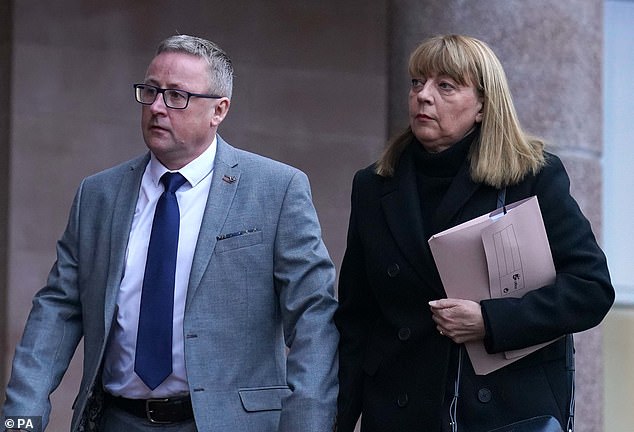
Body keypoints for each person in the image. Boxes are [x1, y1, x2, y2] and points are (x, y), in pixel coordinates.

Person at [2, 34, 339, 432]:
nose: (158, 107)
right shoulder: (99, 195)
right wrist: (19, 420)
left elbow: (314, 317)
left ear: (219, 110)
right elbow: (57, 309)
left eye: (176, 95)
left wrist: (307, 424)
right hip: (115, 419)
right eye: (150, 91)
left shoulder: (275, 190)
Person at [334, 34, 614, 432]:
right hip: (400, 409)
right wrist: (338, 420)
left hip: (502, 413)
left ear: (482, 105)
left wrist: (490, 321)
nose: (423, 96)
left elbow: (591, 289)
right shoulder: (374, 185)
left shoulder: (531, 175)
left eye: (445, 86)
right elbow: (356, 319)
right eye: (417, 82)